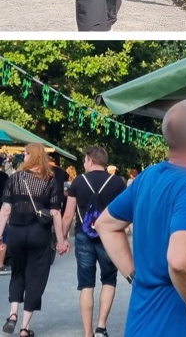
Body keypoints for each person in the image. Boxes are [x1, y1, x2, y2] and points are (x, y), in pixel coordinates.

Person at [97, 99, 186, 337]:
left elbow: (105, 224)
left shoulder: (148, 177)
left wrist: (137, 277)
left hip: (144, 323)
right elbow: (179, 259)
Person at [0, 143, 68, 337]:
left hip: (17, 232)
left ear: (32, 156)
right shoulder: (51, 181)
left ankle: (12, 314)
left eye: (25, 153)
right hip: (40, 233)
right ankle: (24, 328)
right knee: (36, 278)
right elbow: (55, 213)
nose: (24, 156)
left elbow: (6, 210)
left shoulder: (14, 178)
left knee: (17, 273)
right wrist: (61, 240)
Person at [63, 147, 126, 337]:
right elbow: (124, 212)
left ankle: (87, 333)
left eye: (84, 160)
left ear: (90, 161)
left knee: (86, 284)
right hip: (109, 237)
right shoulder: (117, 183)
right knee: (109, 279)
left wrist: (62, 239)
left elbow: (68, 215)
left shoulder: (78, 182)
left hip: (83, 235)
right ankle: (101, 327)